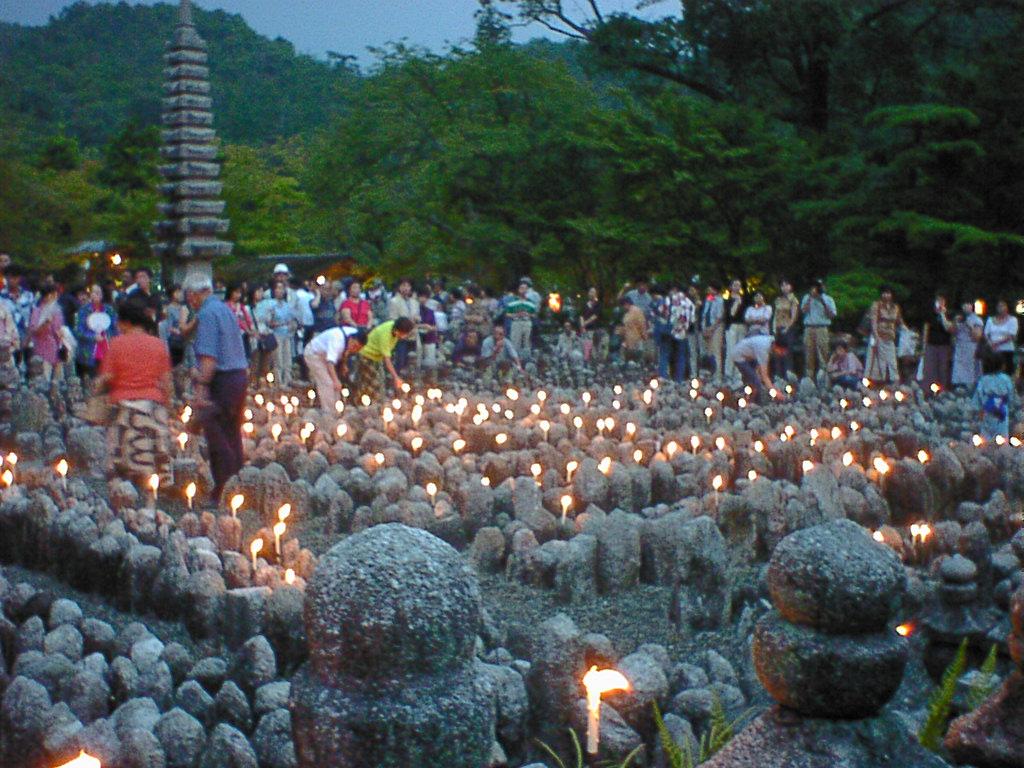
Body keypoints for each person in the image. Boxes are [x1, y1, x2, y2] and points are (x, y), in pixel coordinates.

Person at [95, 298, 173, 487]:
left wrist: (96, 391)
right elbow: (167, 382)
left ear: (126, 322)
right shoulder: (158, 345)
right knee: (153, 461)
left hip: (123, 410)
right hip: (153, 407)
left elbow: (105, 378)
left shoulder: (116, 344)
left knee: (121, 463)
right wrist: (168, 407)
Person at [186, 275, 249, 503]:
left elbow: (208, 359)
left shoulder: (207, 314)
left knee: (218, 435)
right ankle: (240, 483)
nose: (189, 301)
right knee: (233, 433)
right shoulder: (225, 310)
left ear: (194, 294)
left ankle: (224, 488)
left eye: (189, 296)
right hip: (238, 376)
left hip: (222, 380)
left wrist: (199, 380)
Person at [303, 325, 367, 412]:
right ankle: (329, 412)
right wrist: (335, 380)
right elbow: (330, 362)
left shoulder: (354, 334)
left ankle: (337, 409)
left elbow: (347, 350)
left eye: (358, 348)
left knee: (336, 385)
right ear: (352, 339)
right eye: (355, 346)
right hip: (314, 354)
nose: (355, 349)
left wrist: (344, 364)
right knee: (328, 383)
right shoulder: (337, 340)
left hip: (327, 355)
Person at [358, 317, 414, 398]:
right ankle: (366, 404)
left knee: (379, 382)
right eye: (404, 334)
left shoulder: (394, 329)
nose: (405, 336)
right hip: (367, 355)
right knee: (370, 384)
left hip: (377, 357)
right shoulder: (385, 335)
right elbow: (387, 359)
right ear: (398, 331)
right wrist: (396, 377)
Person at [74, 284, 117, 379]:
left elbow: (116, 329)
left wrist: (109, 338)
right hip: (88, 352)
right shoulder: (84, 310)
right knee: (91, 379)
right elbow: (78, 331)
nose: (95, 295)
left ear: (103, 295)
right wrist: (93, 336)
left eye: (98, 292)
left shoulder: (109, 310)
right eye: (93, 292)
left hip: (107, 349)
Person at [973, 349, 1017, 440]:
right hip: (1002, 411)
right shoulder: (1006, 379)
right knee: (1002, 434)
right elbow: (1011, 396)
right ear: (1002, 366)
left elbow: (978, 396)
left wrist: (978, 408)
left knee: (986, 435)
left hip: (987, 410)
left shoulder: (983, 380)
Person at [729, 333, 786, 404]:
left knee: (754, 378)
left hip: (751, 356)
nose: (781, 354)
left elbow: (761, 369)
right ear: (775, 346)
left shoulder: (770, 342)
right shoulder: (763, 348)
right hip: (739, 356)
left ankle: (746, 396)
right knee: (755, 381)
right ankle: (755, 403)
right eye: (781, 351)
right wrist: (776, 392)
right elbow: (764, 376)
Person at [657, 285, 694, 383]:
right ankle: (679, 379)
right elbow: (692, 318)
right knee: (681, 355)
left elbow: (660, 312)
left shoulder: (666, 300)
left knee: (664, 353)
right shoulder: (689, 303)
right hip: (682, 332)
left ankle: (663, 376)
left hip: (667, 330)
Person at [29, 283, 66, 381]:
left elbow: (60, 331)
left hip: (57, 349)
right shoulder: (37, 311)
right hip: (42, 350)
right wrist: (45, 323)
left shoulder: (57, 311)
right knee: (43, 380)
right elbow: (34, 331)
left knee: (58, 382)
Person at [800, 280, 837, 380]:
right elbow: (803, 311)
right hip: (809, 328)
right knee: (809, 353)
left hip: (822, 327)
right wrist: (810, 298)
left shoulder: (828, 299)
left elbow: (832, 315)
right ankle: (809, 378)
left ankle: (824, 378)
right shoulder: (807, 298)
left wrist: (822, 301)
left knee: (823, 352)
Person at [866, 287, 903, 383]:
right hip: (879, 336)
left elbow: (899, 322)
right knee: (878, 362)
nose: (886, 295)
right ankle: (878, 381)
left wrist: (908, 332)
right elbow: (873, 321)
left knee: (892, 361)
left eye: (888, 293)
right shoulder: (876, 305)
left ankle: (894, 381)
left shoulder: (895, 307)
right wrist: (876, 336)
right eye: (884, 293)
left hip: (890, 337)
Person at [921, 294, 953, 390]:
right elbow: (926, 329)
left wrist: (942, 314)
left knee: (943, 368)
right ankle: (928, 389)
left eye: (942, 301)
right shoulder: (930, 314)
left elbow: (950, 329)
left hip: (944, 345)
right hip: (931, 344)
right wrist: (924, 345)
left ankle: (942, 389)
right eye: (938, 301)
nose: (940, 303)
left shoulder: (948, 314)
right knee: (930, 368)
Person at [268, 281, 296, 385]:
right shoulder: (270, 304)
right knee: (278, 359)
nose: (280, 291)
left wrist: (291, 325)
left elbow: (292, 319)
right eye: (277, 288)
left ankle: (287, 380)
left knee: (287, 358)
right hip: (276, 334)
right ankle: (278, 382)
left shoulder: (287, 305)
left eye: (282, 288)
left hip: (287, 334)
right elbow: (269, 322)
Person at [388, 278, 418, 373]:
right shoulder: (394, 301)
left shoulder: (415, 302)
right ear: (399, 287)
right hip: (401, 335)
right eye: (403, 285)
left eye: (408, 286)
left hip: (413, 334)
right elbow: (393, 319)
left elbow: (416, 316)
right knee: (400, 360)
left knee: (413, 362)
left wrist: (417, 319)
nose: (406, 288)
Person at [772, 279, 800, 379]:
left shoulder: (793, 299)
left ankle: (788, 375)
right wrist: (774, 328)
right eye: (782, 285)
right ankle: (778, 376)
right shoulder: (778, 300)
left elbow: (794, 316)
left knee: (787, 353)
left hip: (788, 329)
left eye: (786, 285)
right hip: (778, 328)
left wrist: (787, 327)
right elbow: (775, 315)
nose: (784, 287)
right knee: (777, 353)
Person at [951, 301, 983, 389]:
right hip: (959, 346)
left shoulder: (977, 320)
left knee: (970, 367)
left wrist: (969, 326)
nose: (965, 307)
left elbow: (977, 336)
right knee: (958, 367)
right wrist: (955, 322)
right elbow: (953, 332)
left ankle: (970, 386)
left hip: (971, 346)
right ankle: (958, 385)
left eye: (967, 305)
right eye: (964, 305)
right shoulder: (959, 318)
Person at [984, 300, 1019, 377]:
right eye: (999, 306)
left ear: (1007, 308)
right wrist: (990, 344)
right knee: (991, 371)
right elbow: (986, 334)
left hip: (1006, 350)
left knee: (1006, 372)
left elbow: (1012, 335)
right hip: (993, 350)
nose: (1001, 308)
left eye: (1003, 306)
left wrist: (996, 343)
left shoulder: (1013, 320)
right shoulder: (990, 320)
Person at [505, 281, 538, 361]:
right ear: (518, 289)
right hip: (516, 323)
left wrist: (528, 314)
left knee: (527, 342)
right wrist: (516, 315)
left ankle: (526, 359)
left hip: (527, 323)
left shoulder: (530, 302)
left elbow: (534, 315)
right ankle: (515, 360)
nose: (523, 290)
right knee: (515, 342)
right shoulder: (512, 302)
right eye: (521, 288)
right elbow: (507, 314)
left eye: (525, 288)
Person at [701, 283, 725, 380]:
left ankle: (718, 375)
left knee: (716, 351)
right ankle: (709, 374)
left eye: (710, 288)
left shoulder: (720, 300)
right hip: (706, 327)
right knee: (708, 351)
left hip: (716, 327)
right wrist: (705, 328)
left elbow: (720, 316)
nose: (708, 290)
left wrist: (712, 328)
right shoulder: (708, 299)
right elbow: (705, 313)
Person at [723, 279, 747, 382]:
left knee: (740, 351)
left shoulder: (744, 300)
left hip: (741, 326)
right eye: (735, 285)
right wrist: (737, 302)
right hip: (731, 326)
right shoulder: (728, 300)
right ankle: (728, 374)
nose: (737, 287)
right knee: (731, 350)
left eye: (739, 285)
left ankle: (738, 375)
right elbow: (731, 314)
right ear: (731, 287)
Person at [225, 284, 257, 360]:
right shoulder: (226, 306)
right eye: (236, 292)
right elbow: (236, 320)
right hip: (232, 335)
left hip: (243, 335)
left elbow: (247, 318)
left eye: (239, 293)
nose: (238, 295)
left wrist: (251, 328)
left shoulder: (241, 306)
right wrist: (247, 330)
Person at [416, 286, 439, 377]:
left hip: (429, 337)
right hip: (417, 338)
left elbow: (435, 326)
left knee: (430, 361)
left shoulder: (429, 311)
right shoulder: (415, 310)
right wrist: (423, 326)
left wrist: (429, 328)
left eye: (425, 297)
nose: (423, 299)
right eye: (421, 296)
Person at [620, 297, 648, 363]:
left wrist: (644, 336)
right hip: (628, 339)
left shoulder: (637, 311)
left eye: (623, 305)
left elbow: (642, 325)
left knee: (636, 358)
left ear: (627, 304)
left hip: (636, 338)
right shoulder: (627, 313)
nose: (623, 308)